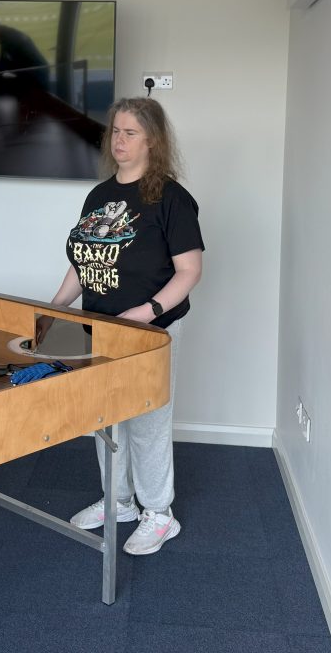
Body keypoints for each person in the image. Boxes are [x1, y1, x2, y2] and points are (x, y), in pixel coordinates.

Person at [45, 96, 204, 556]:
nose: (119, 140)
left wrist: (147, 312)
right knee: (107, 418)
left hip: (150, 331)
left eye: (130, 132)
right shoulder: (99, 196)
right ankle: (119, 503)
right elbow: (83, 261)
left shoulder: (171, 198)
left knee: (148, 421)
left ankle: (159, 513)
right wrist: (56, 308)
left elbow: (189, 270)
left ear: (152, 140)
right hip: (97, 327)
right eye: (115, 130)